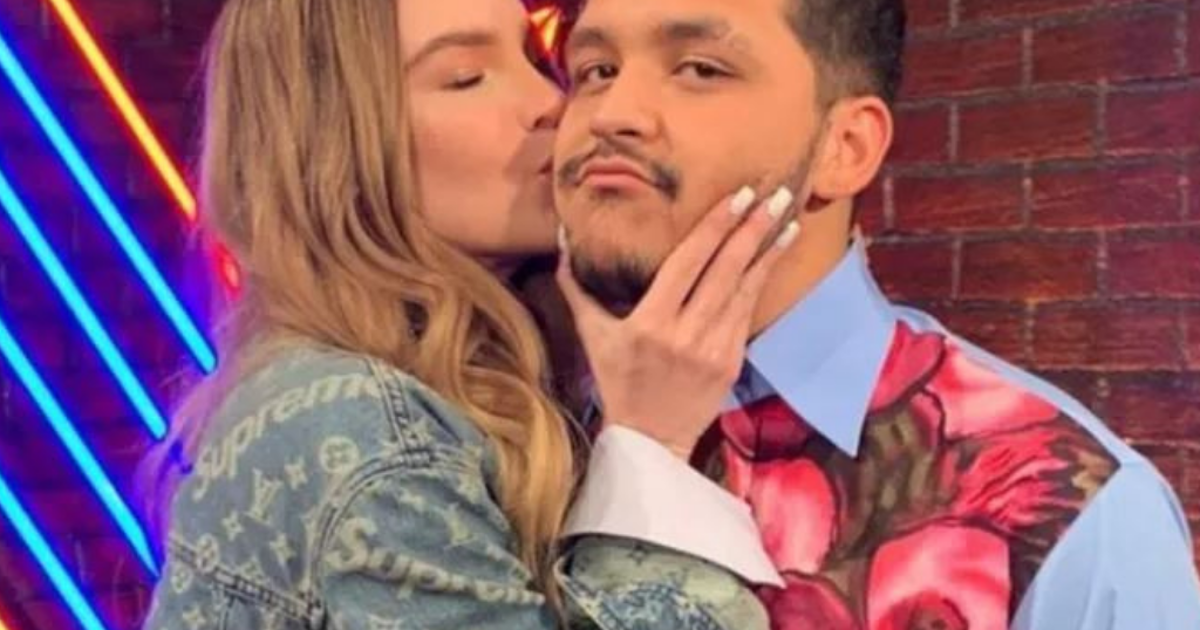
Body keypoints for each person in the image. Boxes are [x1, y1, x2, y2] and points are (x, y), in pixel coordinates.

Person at [139, 0, 795, 628]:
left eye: (536, 60)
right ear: (334, 149)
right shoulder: (359, 426)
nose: (551, 103)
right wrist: (653, 448)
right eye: (466, 77)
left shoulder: (478, 390)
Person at [551, 0, 1200, 627]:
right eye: (597, 71)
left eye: (700, 68)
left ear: (847, 147)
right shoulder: (531, 430)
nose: (612, 113)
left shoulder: (1072, 514)